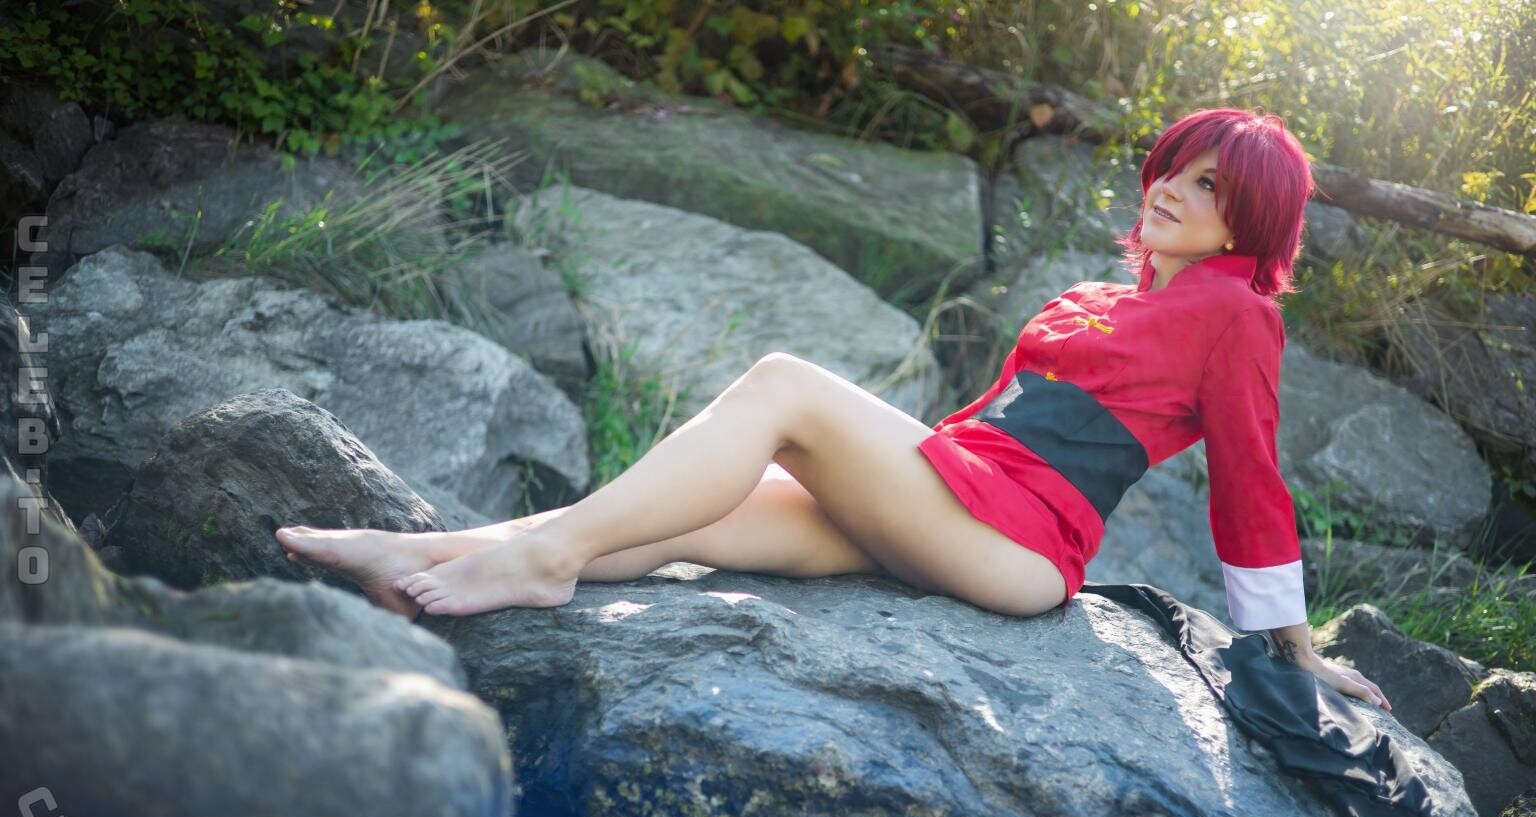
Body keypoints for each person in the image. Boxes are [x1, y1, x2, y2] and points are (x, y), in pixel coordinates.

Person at [274, 107, 1393, 713]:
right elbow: (981, 426)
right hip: (956, 500)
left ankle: (542, 561)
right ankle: (418, 555)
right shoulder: (1103, 298)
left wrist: (1288, 646)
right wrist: (889, 477)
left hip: (1018, 547)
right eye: (1177, 166)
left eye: (1209, 186)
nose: (1173, 188)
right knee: (697, 517)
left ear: (1250, 221)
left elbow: (1252, 476)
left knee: (781, 383)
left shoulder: (1237, 312)